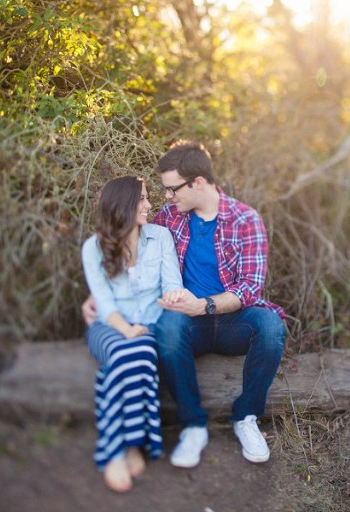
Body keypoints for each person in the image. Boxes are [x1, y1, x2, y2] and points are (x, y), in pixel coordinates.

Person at [84, 141, 286, 469]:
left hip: (233, 319)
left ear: (198, 183)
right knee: (168, 327)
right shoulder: (167, 220)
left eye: (172, 189)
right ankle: (193, 423)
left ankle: (245, 417)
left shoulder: (245, 219)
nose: (167, 197)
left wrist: (204, 305)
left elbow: (249, 288)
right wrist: (100, 292)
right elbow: (126, 243)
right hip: (187, 322)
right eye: (162, 191)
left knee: (270, 326)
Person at [81, 176, 185, 492]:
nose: (149, 205)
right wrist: (126, 330)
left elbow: (172, 283)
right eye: (141, 199)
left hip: (150, 325)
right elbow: (104, 301)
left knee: (137, 351)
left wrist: (174, 297)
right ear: (123, 204)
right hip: (107, 327)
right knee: (132, 351)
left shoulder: (161, 237)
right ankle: (120, 450)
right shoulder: (94, 247)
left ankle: (124, 446)